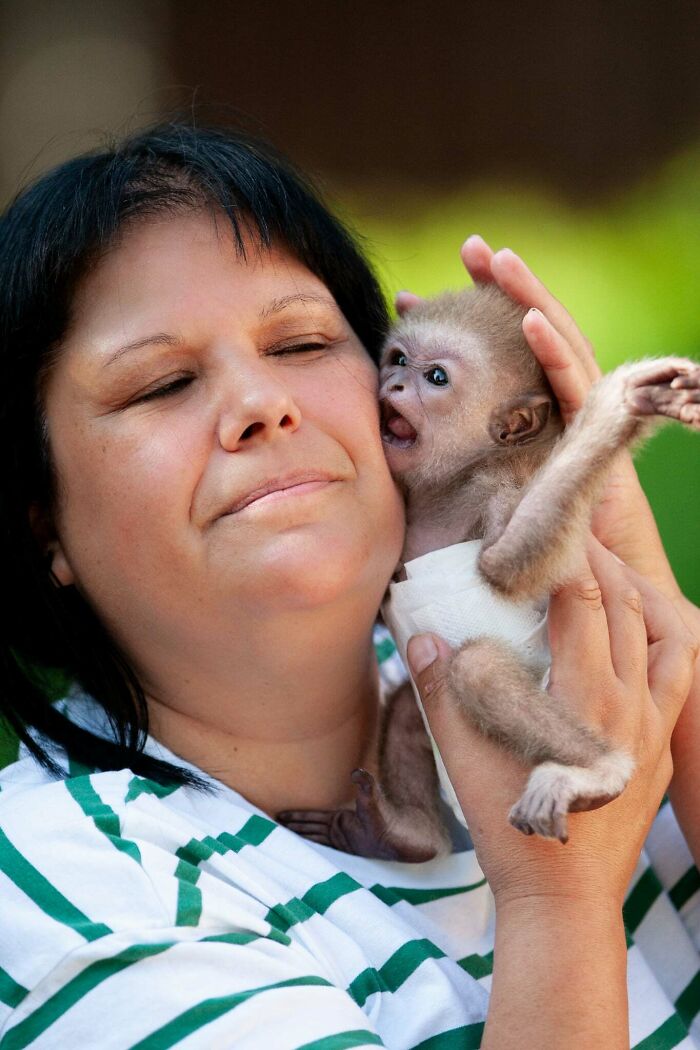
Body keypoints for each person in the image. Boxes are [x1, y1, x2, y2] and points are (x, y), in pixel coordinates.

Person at [0, 123, 698, 1049]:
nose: (262, 404)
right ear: (41, 519)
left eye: (300, 343)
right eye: (163, 383)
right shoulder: (74, 896)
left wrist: (648, 602)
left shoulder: (578, 693)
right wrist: (559, 901)